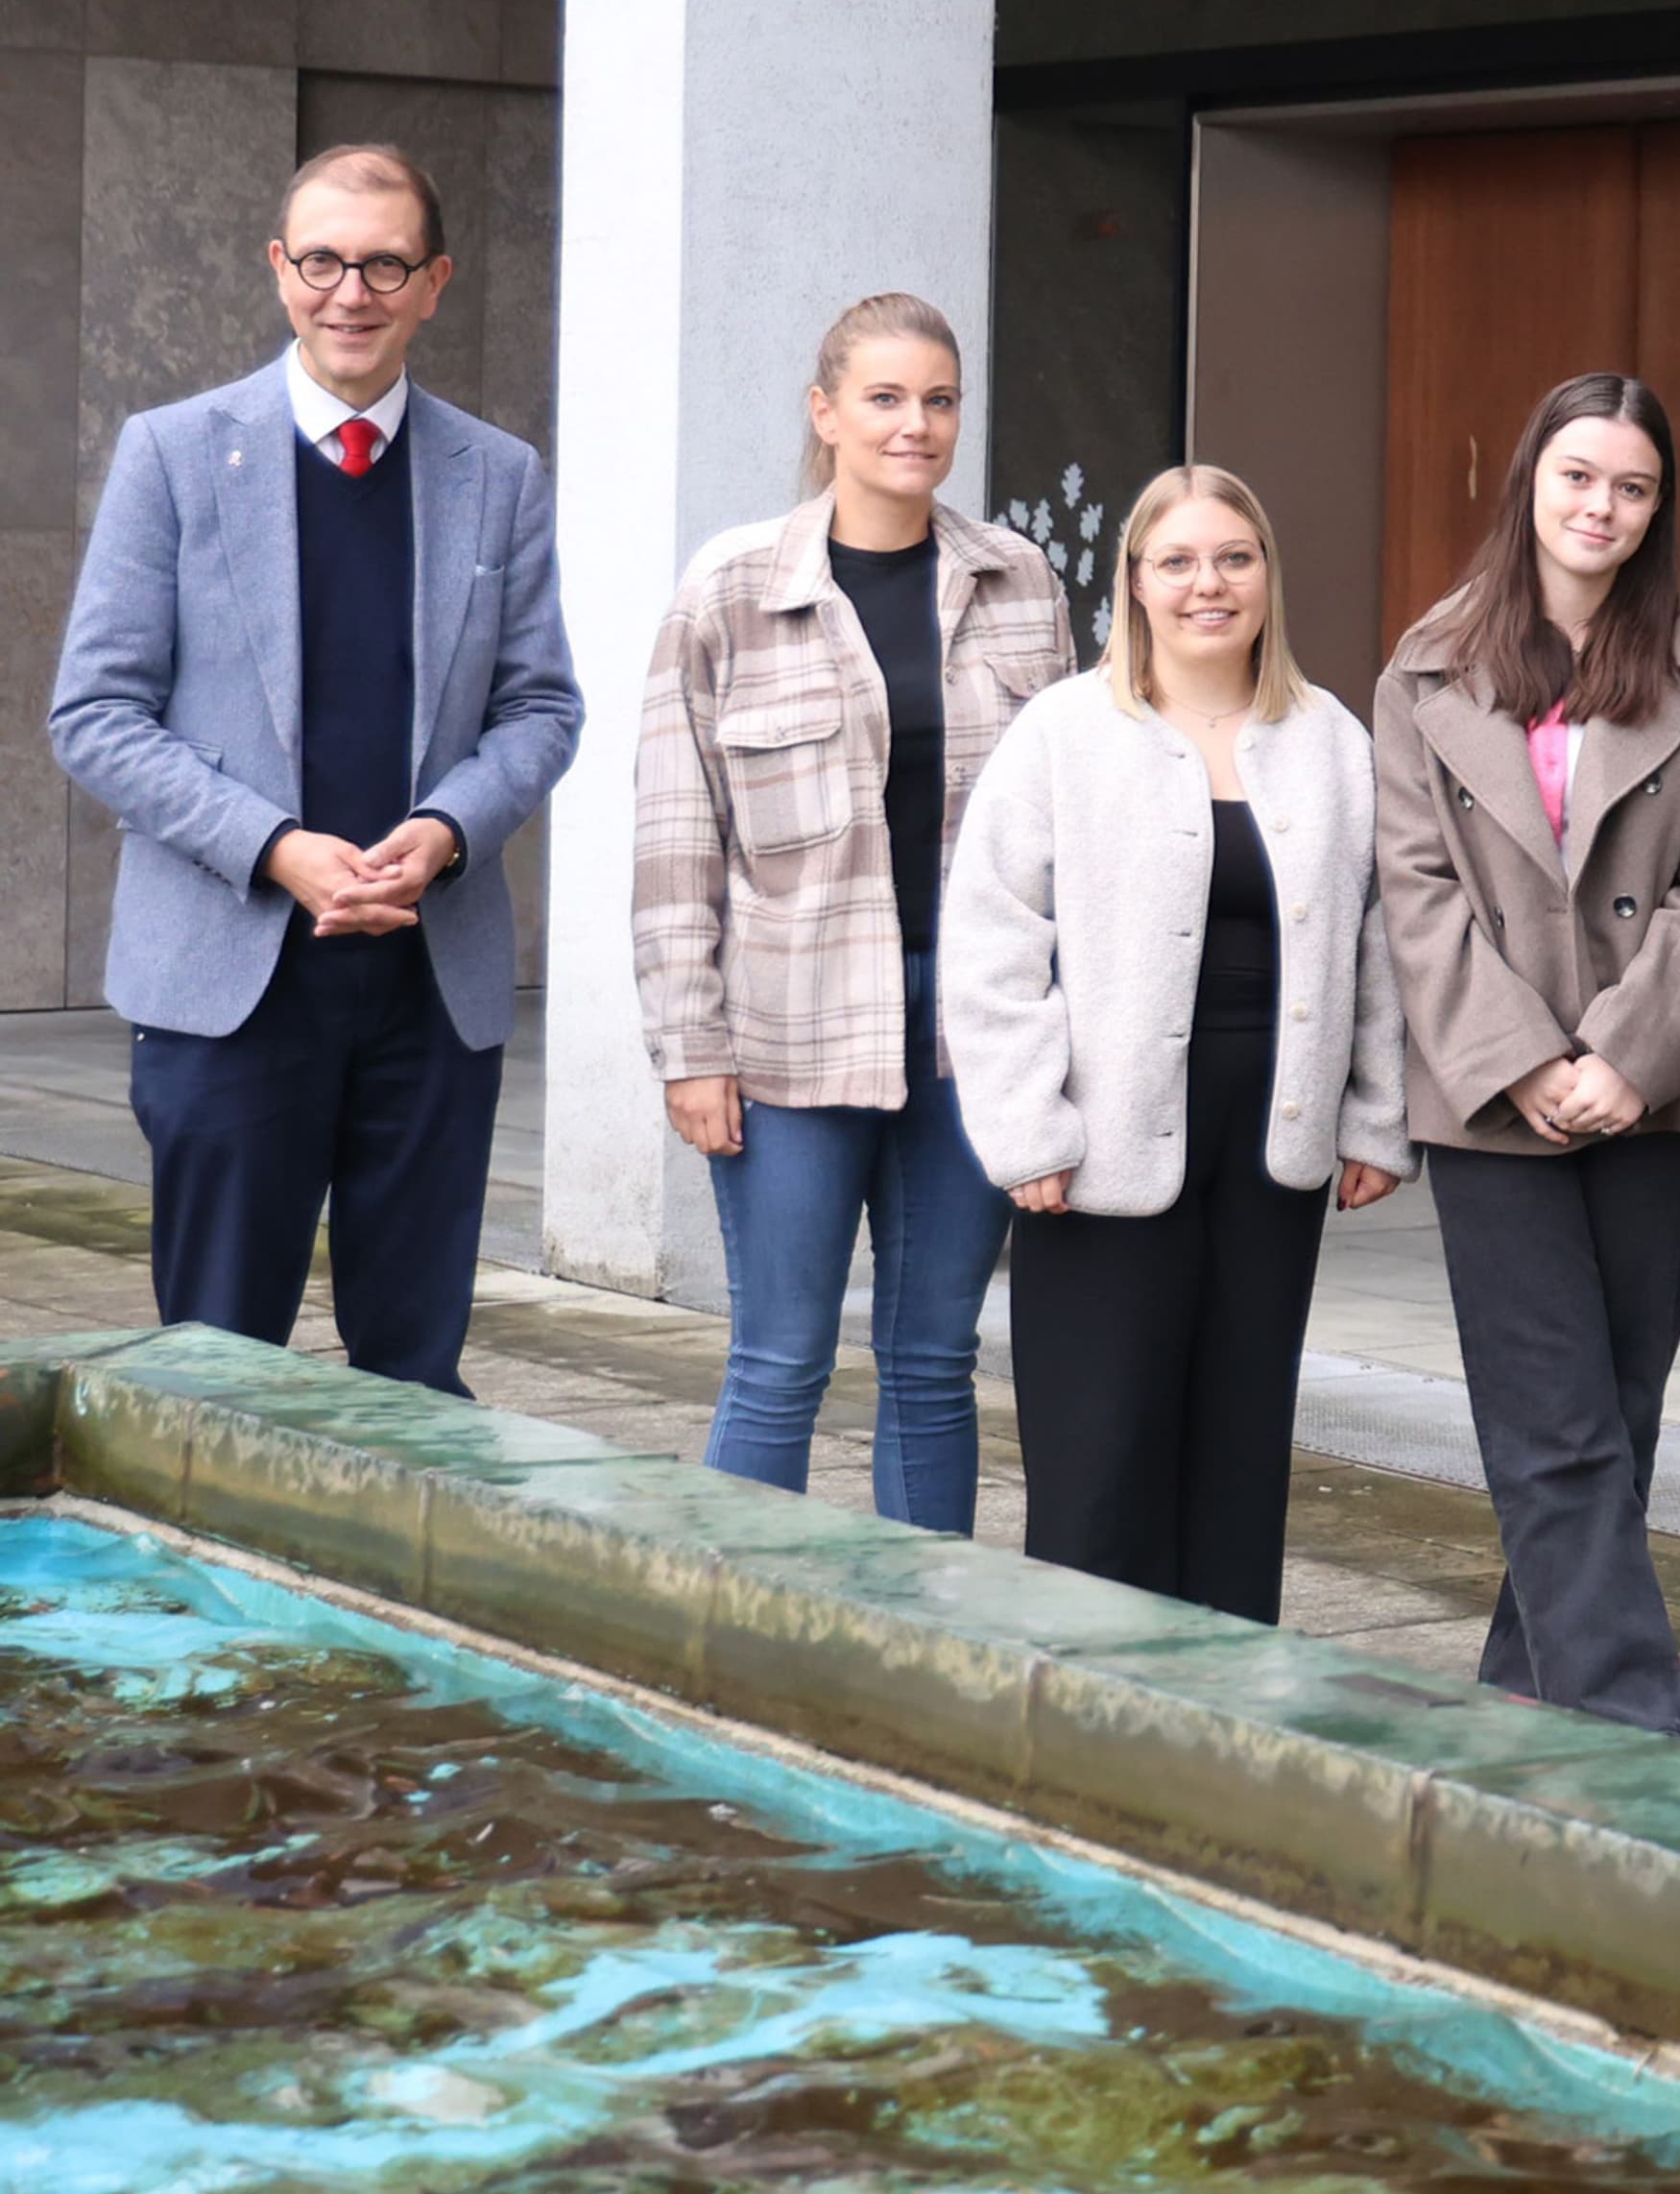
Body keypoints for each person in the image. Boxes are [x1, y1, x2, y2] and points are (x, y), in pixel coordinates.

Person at [50, 144, 582, 1393]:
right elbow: (96, 713)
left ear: (435, 282)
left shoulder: (498, 474)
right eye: (325, 261)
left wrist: (448, 828)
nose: (353, 291)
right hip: (231, 985)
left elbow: (541, 705)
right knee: (214, 1374)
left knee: (415, 1380)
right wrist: (276, 848)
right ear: (280, 269)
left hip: (428, 987)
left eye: (385, 264)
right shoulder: (173, 453)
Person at [632, 295, 1068, 1534]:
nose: (914, 424)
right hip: (790, 1030)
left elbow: (1064, 823)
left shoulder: (1018, 580)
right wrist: (690, 1047)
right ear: (825, 413)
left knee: (934, 1366)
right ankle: (734, 1623)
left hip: (973, 1032)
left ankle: (924, 1627)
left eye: (938, 399)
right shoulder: (730, 587)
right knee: (779, 1362)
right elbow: (675, 834)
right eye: (884, 398)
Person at [947, 465, 1407, 1619]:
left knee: (1241, 1446)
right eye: (1180, 561)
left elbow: (1383, 940)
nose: (1211, 583)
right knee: (1100, 1446)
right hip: (1100, 1140)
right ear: (1137, 582)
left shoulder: (1331, 738)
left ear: (1267, 576)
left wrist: (1377, 1115)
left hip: (1273, 1143)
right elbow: (994, 935)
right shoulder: (1065, 731)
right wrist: (1026, 1127)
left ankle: (1226, 1692)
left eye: (1235, 558)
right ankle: (1086, 1689)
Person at [1373, 376, 1680, 1734]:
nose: (1602, 506)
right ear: (1530, 480)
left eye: (1632, 487)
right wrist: (1528, 1059)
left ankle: (1525, 1687)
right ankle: (1634, 1722)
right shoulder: (1427, 666)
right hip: (1493, 1095)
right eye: (1579, 476)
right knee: (1552, 1419)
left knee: (1616, 1411)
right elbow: (1416, 889)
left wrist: (1626, 1057)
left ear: (1658, 510)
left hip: (1657, 1088)